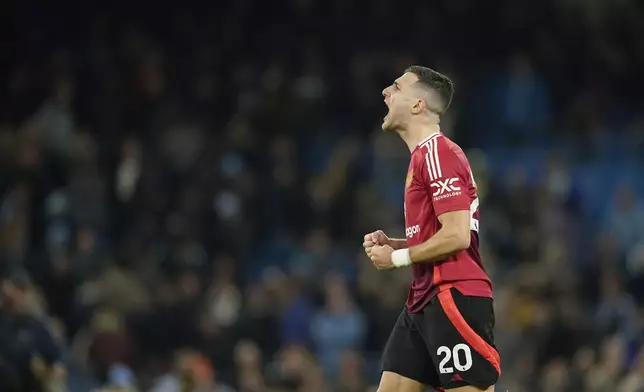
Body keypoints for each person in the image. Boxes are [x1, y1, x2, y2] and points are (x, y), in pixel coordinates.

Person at [363, 66, 500, 392]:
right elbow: (442, 232)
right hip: (423, 299)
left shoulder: (438, 153)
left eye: (396, 87)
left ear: (418, 105)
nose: (385, 92)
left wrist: (397, 260)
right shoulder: (423, 158)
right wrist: (397, 245)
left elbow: (456, 235)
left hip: (453, 295)